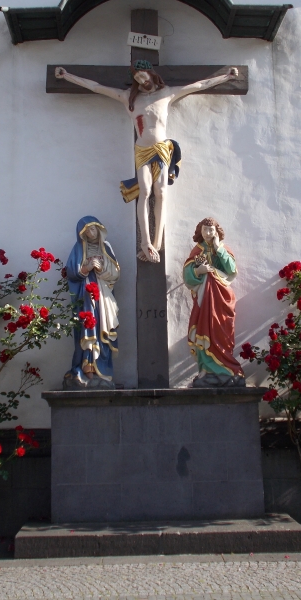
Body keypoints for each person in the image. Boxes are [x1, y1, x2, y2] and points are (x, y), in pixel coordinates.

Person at [55, 61, 239, 264]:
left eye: (144, 76)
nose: (142, 81)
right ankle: (145, 242)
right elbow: (97, 87)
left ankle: (157, 244)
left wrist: (227, 77)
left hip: (160, 149)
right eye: (138, 79)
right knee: (145, 191)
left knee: (160, 192)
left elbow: (198, 86)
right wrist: (67, 76)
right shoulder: (129, 98)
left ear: (151, 74)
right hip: (142, 150)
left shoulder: (166, 93)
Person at [183, 217, 245, 387]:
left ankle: (227, 368)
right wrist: (199, 270)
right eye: (205, 230)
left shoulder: (223, 249)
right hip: (205, 298)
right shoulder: (197, 251)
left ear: (217, 232)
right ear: (200, 232)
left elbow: (231, 270)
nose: (208, 233)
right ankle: (206, 370)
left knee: (223, 330)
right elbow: (187, 275)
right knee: (204, 329)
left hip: (222, 297)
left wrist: (218, 248)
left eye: (211, 230)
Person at [64, 216, 120, 389]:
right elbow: (72, 272)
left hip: (103, 297)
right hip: (85, 297)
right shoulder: (78, 248)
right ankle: (86, 369)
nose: (91, 233)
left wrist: (102, 268)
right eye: (87, 231)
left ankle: (102, 372)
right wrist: (87, 268)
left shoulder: (106, 247)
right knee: (88, 329)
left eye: (93, 229)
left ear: (99, 229)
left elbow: (115, 273)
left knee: (103, 327)